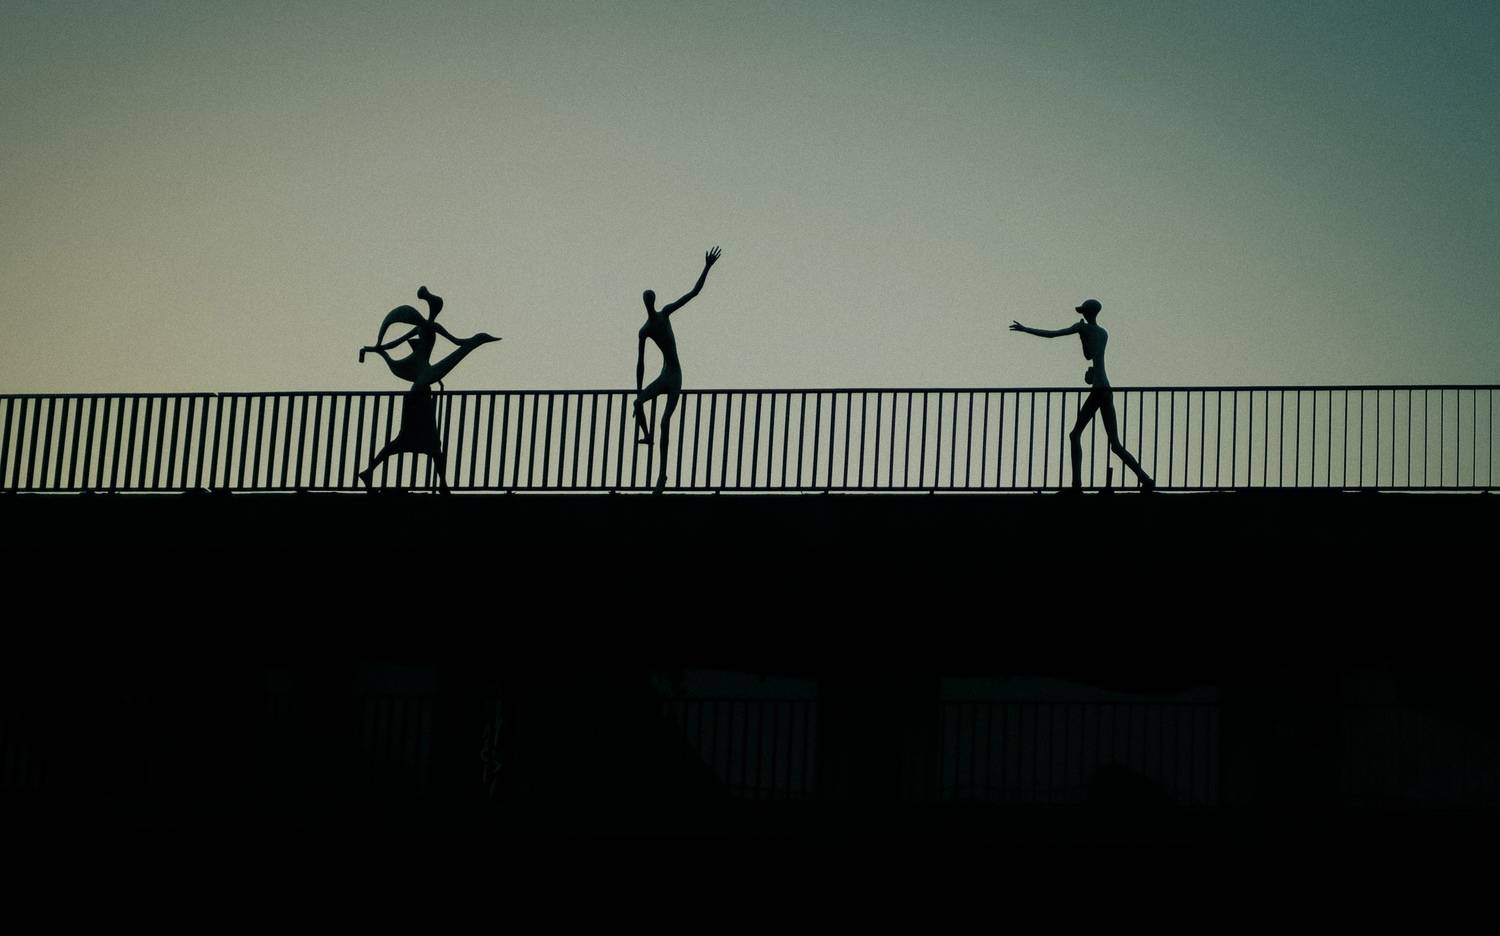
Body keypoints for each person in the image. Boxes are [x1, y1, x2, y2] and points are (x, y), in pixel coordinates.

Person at [357, 286, 499, 491]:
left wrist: (376, 348)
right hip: (421, 390)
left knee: (412, 442)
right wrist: (476, 340)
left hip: (420, 390)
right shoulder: (430, 326)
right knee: (425, 443)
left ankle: (371, 472)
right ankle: (441, 484)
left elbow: (395, 343)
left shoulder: (422, 327)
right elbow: (459, 342)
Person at [1010, 298, 1154, 491]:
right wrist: (1083, 339)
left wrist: (1026, 329)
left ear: (1087, 312)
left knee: (1074, 435)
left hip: (1098, 390)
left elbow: (1055, 336)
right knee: (1115, 444)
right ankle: (1145, 479)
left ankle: (1076, 485)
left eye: (1084, 311)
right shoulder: (1103, 332)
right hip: (1106, 388)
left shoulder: (1083, 328)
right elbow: (1091, 356)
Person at [634, 246, 722, 492]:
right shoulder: (645, 330)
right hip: (664, 376)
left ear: (653, 301)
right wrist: (638, 390)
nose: (649, 302)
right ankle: (647, 436)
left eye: (650, 299)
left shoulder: (665, 313)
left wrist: (706, 267)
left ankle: (662, 476)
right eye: (647, 300)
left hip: (674, 376)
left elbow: (693, 293)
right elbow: (640, 363)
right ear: (645, 303)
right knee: (638, 403)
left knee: (664, 422)